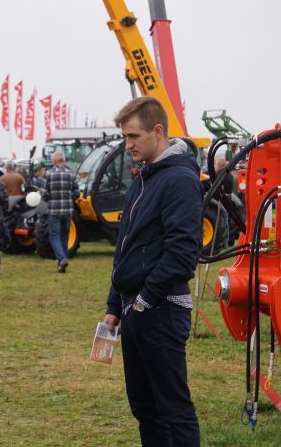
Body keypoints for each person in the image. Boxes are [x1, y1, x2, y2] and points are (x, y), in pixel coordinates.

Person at [102, 96, 202, 446]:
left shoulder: (179, 180)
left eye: (134, 137)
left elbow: (182, 252)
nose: (127, 145)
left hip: (161, 310)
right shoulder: (144, 177)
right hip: (136, 309)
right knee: (145, 407)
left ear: (158, 132)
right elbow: (125, 247)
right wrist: (115, 306)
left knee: (172, 408)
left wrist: (144, 299)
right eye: (125, 138)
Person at [43, 151, 78, 273]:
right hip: (68, 210)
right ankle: (63, 261)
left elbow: (45, 194)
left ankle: (62, 259)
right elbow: (77, 193)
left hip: (54, 210)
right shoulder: (71, 174)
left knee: (54, 236)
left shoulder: (48, 174)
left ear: (54, 161)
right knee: (64, 235)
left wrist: (49, 197)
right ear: (63, 160)